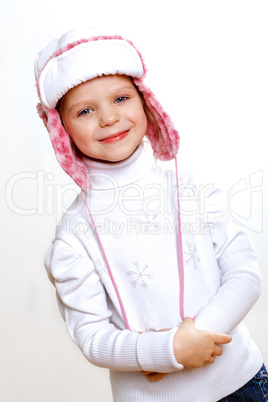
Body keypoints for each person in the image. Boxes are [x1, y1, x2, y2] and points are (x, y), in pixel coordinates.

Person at [34, 27, 267, 401]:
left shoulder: (193, 188)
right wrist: (168, 352)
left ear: (146, 103)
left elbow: (245, 273)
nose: (109, 118)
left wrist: (190, 341)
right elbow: (92, 336)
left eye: (121, 98)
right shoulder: (74, 237)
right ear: (61, 131)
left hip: (242, 383)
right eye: (86, 110)